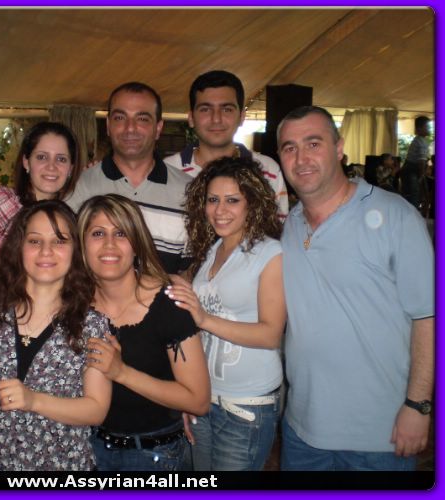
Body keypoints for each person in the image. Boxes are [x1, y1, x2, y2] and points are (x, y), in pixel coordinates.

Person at [277, 106, 434, 471]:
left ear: (339, 148)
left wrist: (418, 405)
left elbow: (428, 317)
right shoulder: (290, 225)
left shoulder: (395, 216)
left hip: (379, 437)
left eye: (313, 143)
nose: (301, 158)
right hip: (301, 432)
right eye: (289, 148)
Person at [0, 121, 83, 470]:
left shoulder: (68, 219)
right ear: (25, 161)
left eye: (61, 159)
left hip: (41, 342)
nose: (51, 167)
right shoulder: (2, 202)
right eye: (42, 157)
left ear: (72, 167)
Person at [0, 200, 111, 471]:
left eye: (59, 241)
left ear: (75, 250)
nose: (46, 251)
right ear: (19, 248)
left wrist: (34, 400)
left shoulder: (91, 325)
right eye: (35, 241)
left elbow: (96, 410)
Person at [168, 157, 285, 470]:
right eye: (213, 200)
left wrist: (204, 318)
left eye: (232, 200)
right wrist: (190, 395)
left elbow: (271, 334)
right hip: (205, 398)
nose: (220, 210)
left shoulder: (270, 253)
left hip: (245, 407)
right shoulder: (211, 251)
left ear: (252, 203)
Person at [77, 194, 210, 471]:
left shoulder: (169, 304)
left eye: (121, 233)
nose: (109, 244)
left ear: (137, 244)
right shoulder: (74, 304)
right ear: (82, 245)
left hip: (153, 455)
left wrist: (122, 373)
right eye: (98, 233)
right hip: (89, 448)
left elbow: (198, 401)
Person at [66, 82, 193, 274]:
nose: (130, 128)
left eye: (142, 119)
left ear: (158, 128)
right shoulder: (79, 187)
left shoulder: (188, 191)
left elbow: (193, 271)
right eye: (120, 117)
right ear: (108, 126)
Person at [164, 70, 289, 220]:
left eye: (226, 109)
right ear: (191, 118)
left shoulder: (268, 170)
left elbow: (279, 228)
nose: (216, 119)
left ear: (241, 117)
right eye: (205, 109)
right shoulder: (166, 171)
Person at [399, 115, 431, 210]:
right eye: (427, 127)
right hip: (411, 171)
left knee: (410, 194)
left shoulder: (419, 140)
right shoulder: (421, 141)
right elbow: (421, 161)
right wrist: (421, 175)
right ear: (419, 129)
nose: (429, 129)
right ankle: (412, 214)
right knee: (414, 196)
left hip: (409, 170)